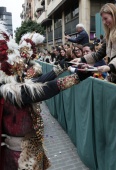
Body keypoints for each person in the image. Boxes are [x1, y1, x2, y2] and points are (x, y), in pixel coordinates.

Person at [0, 24, 91, 170]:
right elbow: (43, 89)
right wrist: (77, 77)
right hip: (19, 156)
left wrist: (63, 66)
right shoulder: (7, 91)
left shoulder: (12, 85)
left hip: (28, 147)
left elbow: (37, 82)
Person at [71, 3, 116, 90]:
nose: (104, 22)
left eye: (106, 18)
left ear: (114, 15)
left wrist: (110, 67)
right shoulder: (110, 32)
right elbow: (100, 53)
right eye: (103, 20)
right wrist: (81, 59)